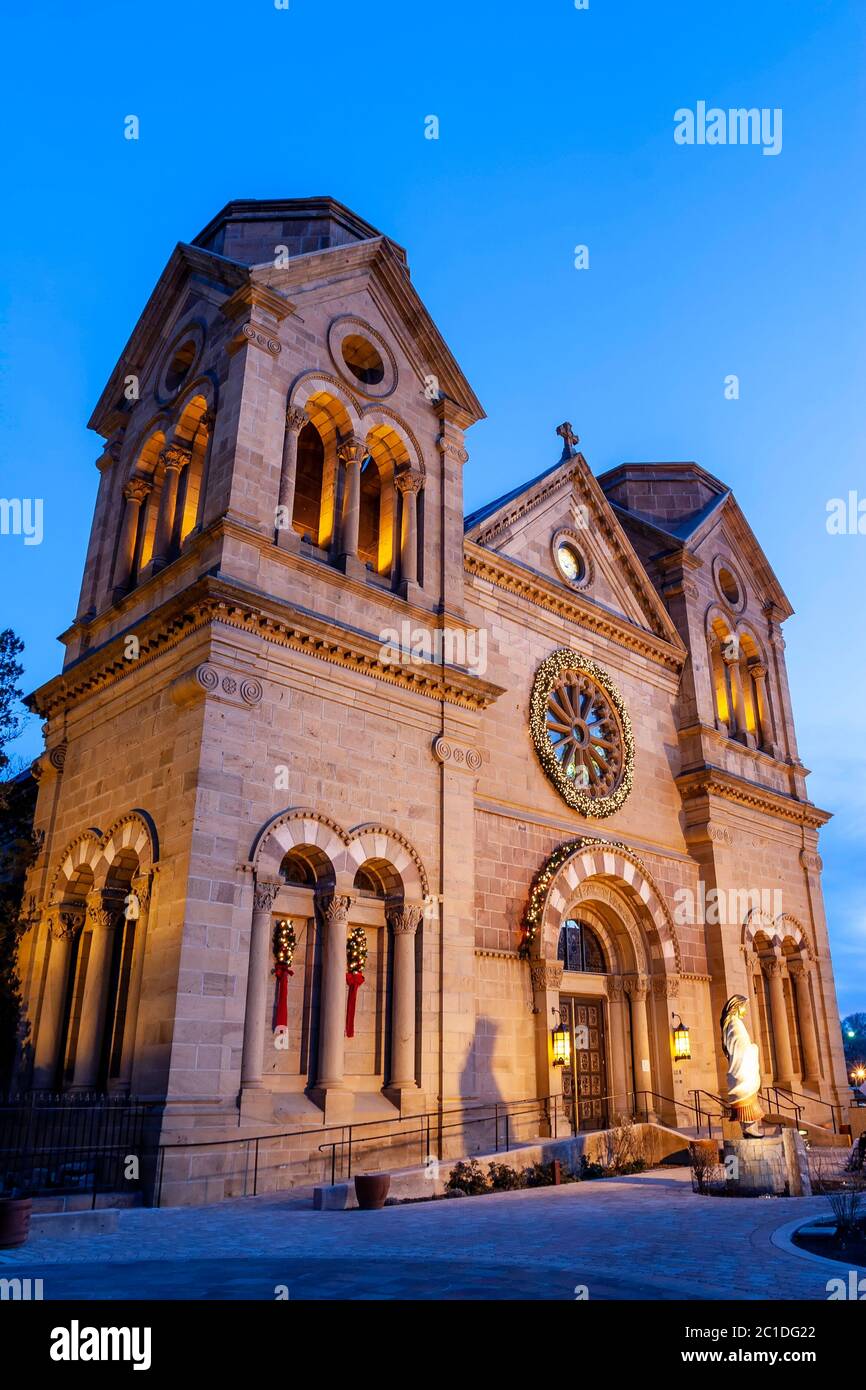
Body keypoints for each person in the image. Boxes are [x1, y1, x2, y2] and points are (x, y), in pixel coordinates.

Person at [720, 995, 764, 1138]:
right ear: (737, 1007)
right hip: (741, 1070)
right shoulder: (734, 1024)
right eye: (744, 1006)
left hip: (743, 1069)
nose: (745, 1010)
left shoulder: (735, 1023)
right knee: (746, 1103)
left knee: (748, 1103)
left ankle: (749, 1129)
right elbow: (740, 1047)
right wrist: (753, 1048)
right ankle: (749, 1128)